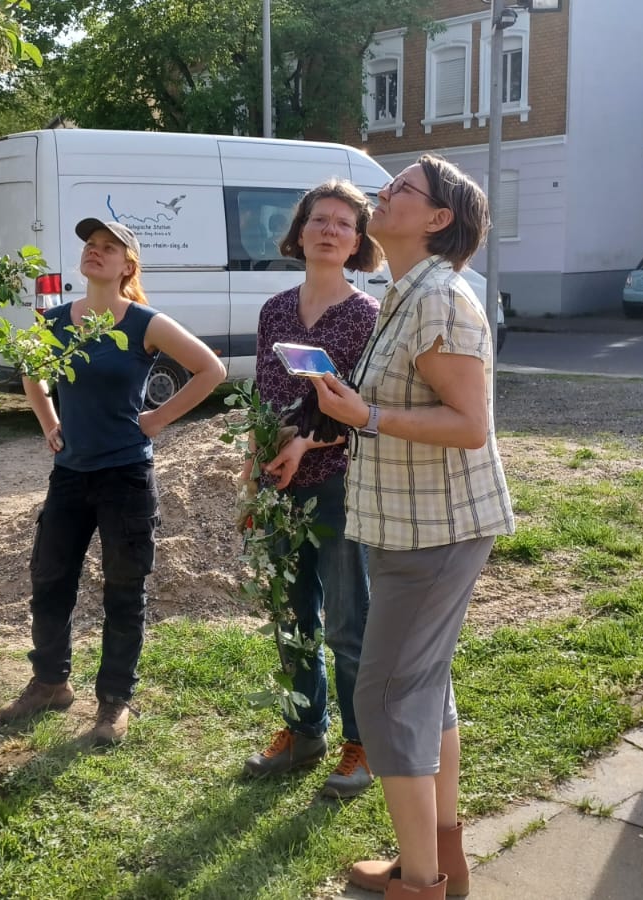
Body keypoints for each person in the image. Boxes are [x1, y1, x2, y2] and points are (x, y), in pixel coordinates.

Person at [314, 156, 514, 899]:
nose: (382, 195)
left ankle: (421, 883)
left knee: (388, 696)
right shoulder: (402, 293)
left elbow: (468, 425)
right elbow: (396, 409)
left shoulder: (441, 298)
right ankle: (442, 861)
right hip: (410, 525)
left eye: (401, 189)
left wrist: (365, 415)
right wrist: (342, 420)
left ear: (438, 220)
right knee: (423, 690)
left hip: (437, 530)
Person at [0, 217, 225, 747]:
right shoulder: (52, 322)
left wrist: (156, 420)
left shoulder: (144, 323)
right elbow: (33, 371)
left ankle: (114, 703)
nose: (95, 253)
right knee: (49, 581)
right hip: (70, 477)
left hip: (126, 477)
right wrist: (48, 421)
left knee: (125, 591)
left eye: (108, 248)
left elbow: (210, 370)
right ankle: (51, 683)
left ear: (127, 266)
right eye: (90, 246)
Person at [239, 179, 381, 799]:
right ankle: (303, 730)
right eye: (319, 220)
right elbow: (268, 400)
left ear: (358, 242)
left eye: (343, 224)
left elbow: (364, 404)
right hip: (278, 485)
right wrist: (253, 470)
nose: (329, 230)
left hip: (340, 483)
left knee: (350, 622)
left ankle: (363, 742)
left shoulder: (369, 316)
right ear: (298, 233)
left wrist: (307, 443)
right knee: (290, 612)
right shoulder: (274, 310)